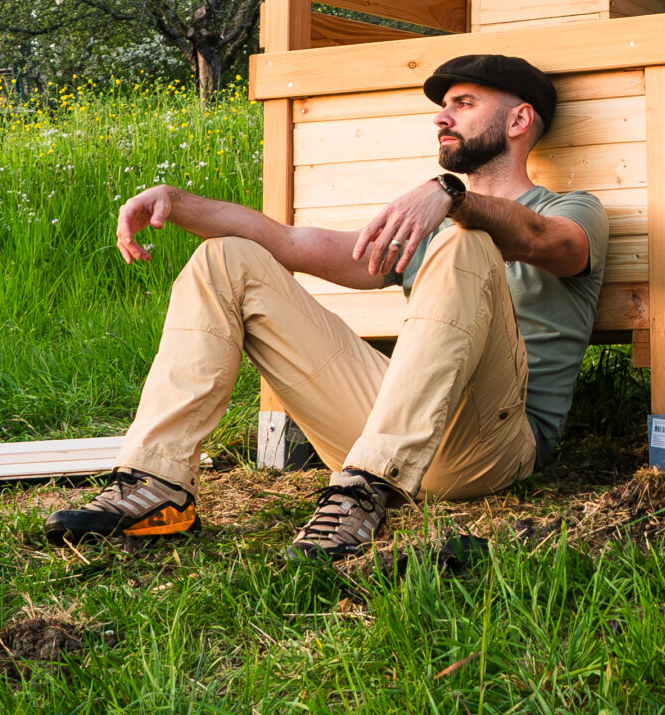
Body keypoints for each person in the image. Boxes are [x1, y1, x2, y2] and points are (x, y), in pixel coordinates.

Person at [44, 53, 607, 561]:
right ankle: (157, 485)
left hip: (492, 446)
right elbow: (289, 244)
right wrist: (178, 202)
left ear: (518, 121)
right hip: (390, 435)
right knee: (228, 259)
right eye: (442, 106)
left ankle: (365, 489)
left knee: (467, 240)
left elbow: (542, 242)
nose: (442, 117)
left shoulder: (573, 210)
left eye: (463, 104)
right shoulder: (425, 226)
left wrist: (449, 196)